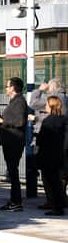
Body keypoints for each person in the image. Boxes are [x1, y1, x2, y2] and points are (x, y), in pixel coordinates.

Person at [28, 78, 68, 208]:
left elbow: (33, 103)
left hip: (49, 145)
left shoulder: (54, 97)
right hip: (62, 143)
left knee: (49, 175)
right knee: (60, 174)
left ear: (53, 86)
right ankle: (61, 200)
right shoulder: (65, 97)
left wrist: (39, 90)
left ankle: (52, 202)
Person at [0, 77, 29, 212]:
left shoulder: (19, 101)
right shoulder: (14, 101)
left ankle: (16, 201)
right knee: (12, 171)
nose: (6, 89)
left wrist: (2, 122)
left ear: (13, 88)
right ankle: (14, 200)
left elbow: (20, 122)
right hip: (10, 140)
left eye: (7, 86)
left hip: (14, 141)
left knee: (13, 172)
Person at [35, 96, 68, 216]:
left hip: (48, 155)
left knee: (51, 182)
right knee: (58, 182)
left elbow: (40, 140)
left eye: (46, 105)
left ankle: (56, 207)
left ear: (51, 106)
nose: (45, 107)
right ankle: (59, 205)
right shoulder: (64, 119)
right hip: (60, 154)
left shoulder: (48, 121)